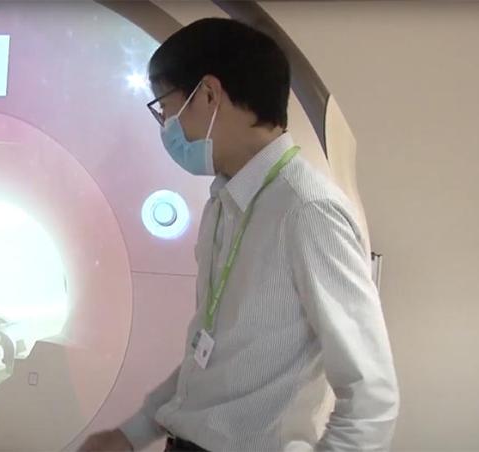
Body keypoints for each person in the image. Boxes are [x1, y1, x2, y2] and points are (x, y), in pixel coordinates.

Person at [79, 18, 398, 452]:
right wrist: (134, 434)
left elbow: (371, 398)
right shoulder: (224, 202)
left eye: (166, 107)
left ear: (208, 95)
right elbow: (206, 355)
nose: (166, 126)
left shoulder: (307, 210)